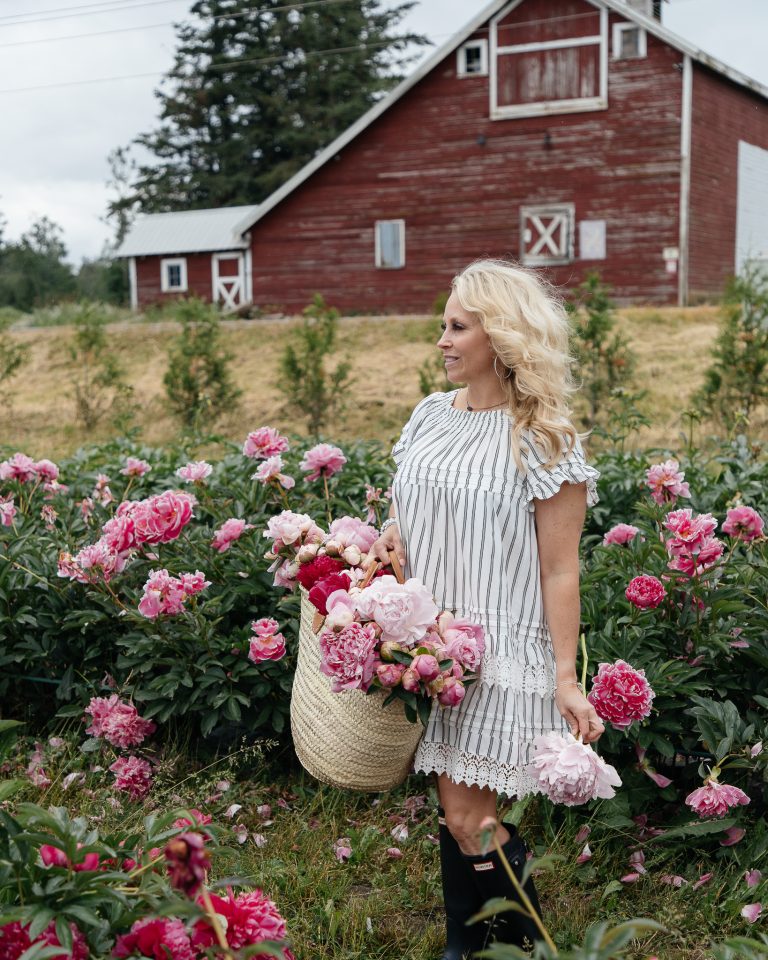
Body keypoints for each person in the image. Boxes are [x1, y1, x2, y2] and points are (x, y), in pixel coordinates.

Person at [365, 259, 605, 958]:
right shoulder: (430, 417)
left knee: (471, 815)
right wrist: (391, 540)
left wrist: (565, 676)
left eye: (457, 326)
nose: (441, 339)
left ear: (500, 337)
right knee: (459, 811)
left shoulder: (542, 437)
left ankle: (523, 943)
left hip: (499, 651)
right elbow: (410, 510)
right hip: (431, 647)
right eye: (443, 324)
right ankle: (471, 942)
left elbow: (561, 568)